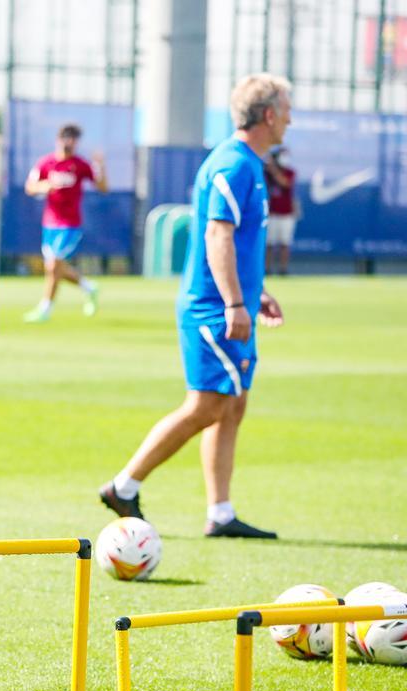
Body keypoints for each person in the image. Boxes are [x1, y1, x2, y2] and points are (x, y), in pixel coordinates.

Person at [98, 73, 290, 539]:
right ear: (268, 115)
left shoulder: (249, 163)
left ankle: (220, 513)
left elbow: (234, 240)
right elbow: (216, 234)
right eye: (286, 109)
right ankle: (124, 485)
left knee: (233, 403)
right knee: (208, 403)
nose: (290, 118)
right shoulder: (235, 164)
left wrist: (252, 290)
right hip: (212, 309)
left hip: (228, 300)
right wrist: (234, 302)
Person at [22, 123, 108, 322]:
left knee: (53, 266)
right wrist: (45, 186)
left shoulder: (80, 164)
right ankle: (89, 287)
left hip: (70, 224)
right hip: (49, 223)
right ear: (58, 140)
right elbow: (30, 186)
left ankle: (45, 309)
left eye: (73, 139)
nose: (69, 142)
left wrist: (100, 166)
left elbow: (102, 187)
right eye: (66, 137)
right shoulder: (46, 163)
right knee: (54, 267)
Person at [264, 147, 296, 275]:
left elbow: (285, 183)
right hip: (271, 213)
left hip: (286, 214)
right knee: (269, 244)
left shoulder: (290, 172)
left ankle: (283, 269)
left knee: (284, 243)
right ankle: (267, 269)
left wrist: (274, 170)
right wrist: (269, 168)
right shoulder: (266, 173)